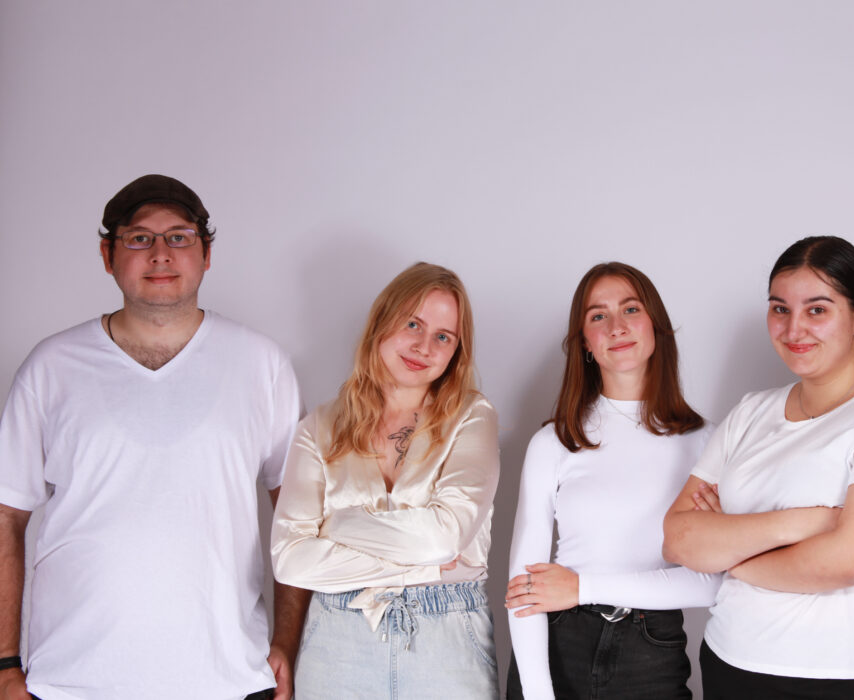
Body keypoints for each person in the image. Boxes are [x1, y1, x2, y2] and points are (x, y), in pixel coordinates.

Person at [0, 174, 307, 700]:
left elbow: (299, 516)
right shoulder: (51, 367)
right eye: (139, 237)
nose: (160, 253)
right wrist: (5, 663)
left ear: (206, 254)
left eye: (180, 236)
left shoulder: (261, 364)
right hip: (71, 681)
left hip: (227, 680)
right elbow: (7, 516)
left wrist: (286, 642)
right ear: (107, 254)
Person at [663, 236, 854, 699]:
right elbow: (679, 539)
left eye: (817, 310)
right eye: (780, 309)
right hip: (734, 662)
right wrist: (813, 521)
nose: (794, 328)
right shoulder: (750, 414)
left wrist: (730, 554)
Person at [271, 262, 500, 699]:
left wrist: (337, 526)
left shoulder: (472, 416)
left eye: (443, 336)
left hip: (447, 638)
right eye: (412, 323)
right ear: (382, 321)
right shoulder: (318, 427)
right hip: (336, 637)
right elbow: (290, 560)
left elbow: (444, 537)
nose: (423, 345)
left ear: (456, 351)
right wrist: (427, 567)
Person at [504, 262, 718, 699]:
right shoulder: (555, 441)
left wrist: (583, 587)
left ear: (655, 325)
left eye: (631, 309)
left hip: (651, 653)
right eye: (598, 315)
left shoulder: (705, 442)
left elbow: (712, 583)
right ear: (585, 341)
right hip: (558, 644)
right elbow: (524, 589)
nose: (616, 326)